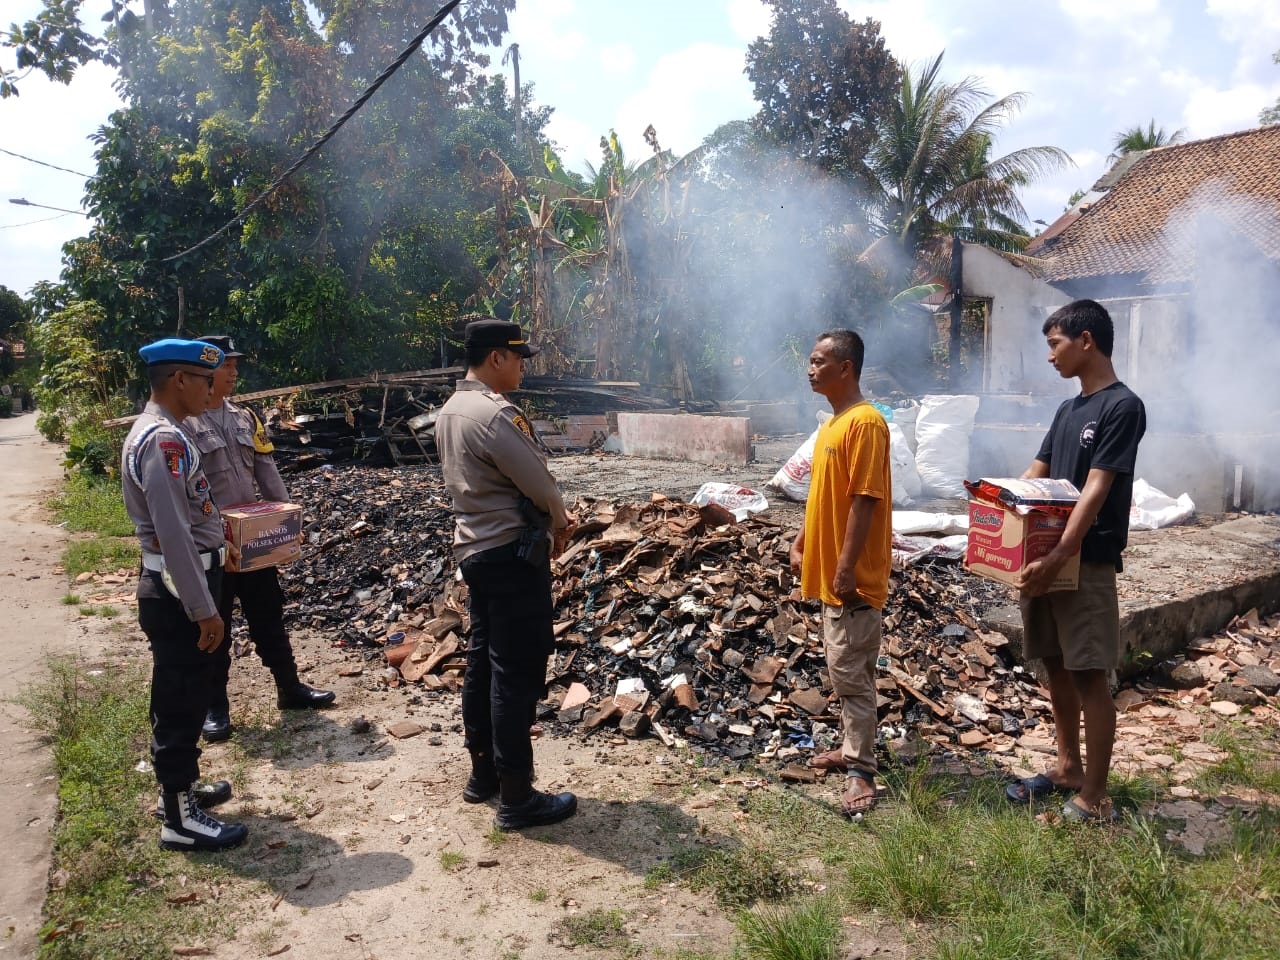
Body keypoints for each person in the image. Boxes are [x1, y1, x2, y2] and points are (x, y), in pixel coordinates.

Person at [435, 316, 577, 831]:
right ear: (496, 357)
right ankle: (517, 796)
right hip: (512, 555)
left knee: (483, 663)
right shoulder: (494, 415)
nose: (521, 367)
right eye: (518, 358)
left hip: (476, 552)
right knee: (514, 674)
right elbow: (539, 481)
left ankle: (485, 776)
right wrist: (560, 519)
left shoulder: (452, 409)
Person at [1006, 299, 1146, 822]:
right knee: (1056, 665)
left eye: (1055, 344)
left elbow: (1096, 487)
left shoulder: (1122, 407)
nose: (1050, 357)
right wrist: (995, 510)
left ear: (1086, 340)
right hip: (1045, 559)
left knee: (1089, 674)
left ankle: (1095, 796)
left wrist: (1063, 550)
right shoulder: (1067, 411)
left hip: (1085, 560)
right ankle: (1067, 768)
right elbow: (1037, 472)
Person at [122, 337, 247, 851]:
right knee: (179, 698)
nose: (209, 388)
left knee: (186, 693)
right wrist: (204, 609)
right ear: (179, 380)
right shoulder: (164, 442)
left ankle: (181, 791)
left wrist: (222, 546)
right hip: (179, 589)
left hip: (190, 576)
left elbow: (193, 515)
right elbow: (173, 533)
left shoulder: (168, 433)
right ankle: (178, 818)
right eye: (202, 379)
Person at [188, 334, 335, 742]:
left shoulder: (245, 418)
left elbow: (267, 472)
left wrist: (286, 521)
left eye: (235, 364)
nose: (234, 372)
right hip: (212, 545)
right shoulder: (183, 425)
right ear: (204, 372)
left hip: (252, 541)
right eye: (226, 365)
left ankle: (290, 689)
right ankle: (215, 707)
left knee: (269, 615)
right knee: (214, 625)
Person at [789, 330, 892, 818]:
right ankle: (852, 752)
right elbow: (823, 496)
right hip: (832, 574)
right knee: (843, 667)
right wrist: (803, 540)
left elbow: (864, 499)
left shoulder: (865, 423)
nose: (810, 369)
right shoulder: (832, 424)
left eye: (818, 361)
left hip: (853, 580)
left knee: (851, 674)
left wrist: (847, 565)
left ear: (845, 367)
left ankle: (861, 772)